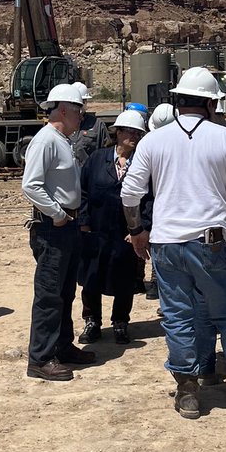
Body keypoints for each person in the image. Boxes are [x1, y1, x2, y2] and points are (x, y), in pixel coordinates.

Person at [120, 67, 226, 421]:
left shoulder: (153, 141)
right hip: (212, 241)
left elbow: (129, 193)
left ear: (177, 100)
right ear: (211, 102)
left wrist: (138, 230)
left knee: (177, 316)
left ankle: (188, 390)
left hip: (166, 243)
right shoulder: (225, 138)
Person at [21, 83, 96, 380]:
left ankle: (62, 346)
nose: (82, 116)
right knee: (50, 294)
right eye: (79, 110)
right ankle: (40, 358)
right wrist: (57, 213)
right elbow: (31, 185)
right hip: (54, 227)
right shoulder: (46, 141)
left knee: (65, 292)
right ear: (63, 110)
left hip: (66, 225)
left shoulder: (61, 140)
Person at [77, 109, 150, 345]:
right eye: (130, 131)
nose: (134, 136)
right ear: (117, 132)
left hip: (126, 234)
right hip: (96, 231)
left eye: (139, 133)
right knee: (91, 278)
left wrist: (140, 229)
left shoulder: (143, 163)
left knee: (125, 280)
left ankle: (120, 322)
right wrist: (84, 223)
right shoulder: (97, 159)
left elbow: (150, 199)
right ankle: (92, 321)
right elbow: (83, 192)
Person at [69, 81, 110, 167]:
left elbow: (107, 152)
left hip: (89, 175)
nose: (79, 105)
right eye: (76, 103)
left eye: (83, 101)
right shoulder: (62, 125)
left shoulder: (97, 125)